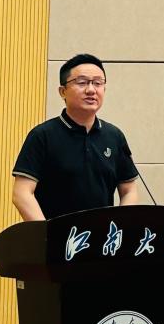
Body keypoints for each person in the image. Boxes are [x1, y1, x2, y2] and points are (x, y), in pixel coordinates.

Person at [11, 53, 139, 221]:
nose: (91, 90)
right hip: (58, 235)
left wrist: (120, 225)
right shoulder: (42, 136)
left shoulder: (114, 136)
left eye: (98, 83)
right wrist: (46, 232)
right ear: (63, 91)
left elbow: (129, 189)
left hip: (103, 235)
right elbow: (21, 193)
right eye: (82, 82)